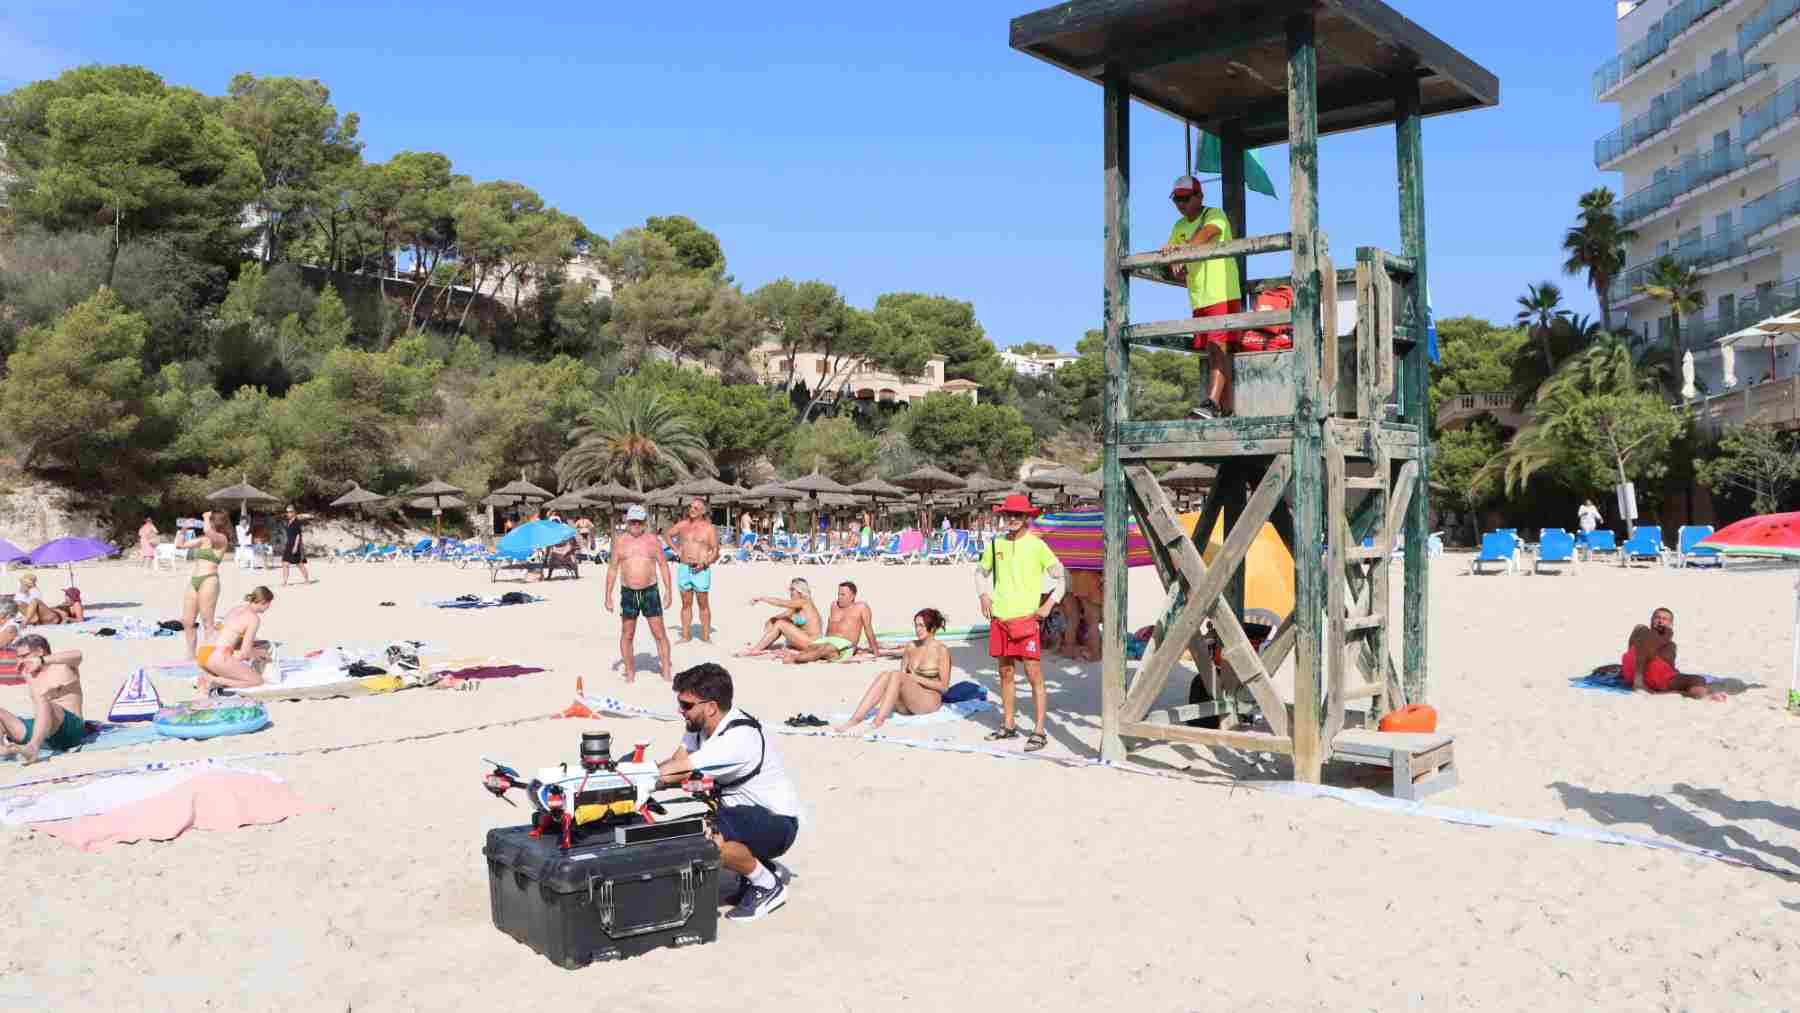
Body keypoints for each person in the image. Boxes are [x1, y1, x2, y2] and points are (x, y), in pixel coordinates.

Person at [657, 663, 802, 921]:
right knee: (695, 826)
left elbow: (676, 773)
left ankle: (767, 886)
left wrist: (635, 780)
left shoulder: (737, 739)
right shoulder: (698, 728)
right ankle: (762, 867)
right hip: (743, 815)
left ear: (711, 706)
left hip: (777, 824)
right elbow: (674, 762)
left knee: (706, 838)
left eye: (687, 705)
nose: (681, 711)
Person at [977, 493, 1066, 752]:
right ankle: (1008, 724)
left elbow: (1061, 576)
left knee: (1034, 675)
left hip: (1027, 621)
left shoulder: (1037, 546)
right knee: (1005, 673)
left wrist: (1049, 605)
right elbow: (980, 573)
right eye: (1008, 515)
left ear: (1027, 518)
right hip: (1000, 619)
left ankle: (1039, 730)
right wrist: (983, 595)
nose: (1013, 519)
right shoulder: (995, 545)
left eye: (1018, 515)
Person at [1162, 174, 1243, 419]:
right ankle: (1224, 408)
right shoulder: (1178, 226)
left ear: (1199, 196)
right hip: (1199, 296)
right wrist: (1172, 260)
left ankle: (1212, 403)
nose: (1181, 204)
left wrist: (1182, 251)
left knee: (1220, 348)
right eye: (1176, 199)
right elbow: (1172, 261)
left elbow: (1205, 235)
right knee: (1213, 351)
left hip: (1222, 292)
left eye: (1186, 198)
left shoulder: (1214, 215)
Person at [834, 608, 954, 731]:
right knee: (887, 674)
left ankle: (878, 721)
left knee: (896, 675)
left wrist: (916, 678)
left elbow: (944, 687)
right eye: (916, 625)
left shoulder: (941, 650)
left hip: (928, 701)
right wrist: (907, 679)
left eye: (921, 626)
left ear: (932, 628)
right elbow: (901, 676)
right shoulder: (910, 646)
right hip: (907, 703)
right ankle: (855, 719)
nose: (917, 629)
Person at [605, 505, 674, 683]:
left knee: (659, 633)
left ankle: (666, 670)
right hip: (629, 592)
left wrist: (668, 592)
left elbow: (663, 565)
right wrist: (608, 596)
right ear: (627, 522)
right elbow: (612, 569)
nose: (636, 524)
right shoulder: (620, 542)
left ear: (644, 522)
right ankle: (629, 671)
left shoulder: (653, 541)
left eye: (639, 521)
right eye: (632, 521)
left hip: (650, 591)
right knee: (627, 633)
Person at [0, 635, 85, 764]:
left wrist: (41, 660)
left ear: (40, 652)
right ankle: (3, 750)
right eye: (18, 657)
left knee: (43, 699)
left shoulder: (64, 666)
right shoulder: (28, 673)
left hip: (69, 730)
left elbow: (77, 654)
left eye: (25, 656)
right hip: (43, 731)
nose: (21, 661)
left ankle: (33, 748)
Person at [1622, 606, 1726, 701]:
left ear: (1670, 624)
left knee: (1697, 679)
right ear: (1651, 620)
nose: (1660, 621)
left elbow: (1667, 666)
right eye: (1657, 617)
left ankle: (1691, 694)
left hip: (1646, 676)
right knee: (1641, 629)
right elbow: (1636, 651)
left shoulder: (1670, 645)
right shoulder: (1642, 630)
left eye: (1664, 619)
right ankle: (1639, 682)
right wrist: (1667, 635)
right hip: (1638, 675)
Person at [197, 587, 276, 694]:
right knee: (257, 681)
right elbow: (245, 653)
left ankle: (211, 676)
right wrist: (261, 654)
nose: (268, 608)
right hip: (217, 657)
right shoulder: (253, 618)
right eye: (268, 604)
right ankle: (212, 680)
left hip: (203, 653)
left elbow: (228, 637)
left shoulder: (236, 609)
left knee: (236, 670)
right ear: (263, 602)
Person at [780, 581, 879, 664]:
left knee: (825, 648)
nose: (839, 597)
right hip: (828, 640)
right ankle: (801, 656)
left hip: (844, 646)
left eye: (843, 595)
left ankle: (795, 659)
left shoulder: (861, 607)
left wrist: (875, 651)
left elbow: (868, 630)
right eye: (839, 594)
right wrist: (822, 641)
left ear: (853, 596)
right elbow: (830, 627)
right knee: (813, 647)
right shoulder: (834, 605)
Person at [665, 497, 721, 643]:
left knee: (703, 604)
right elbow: (668, 535)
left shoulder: (709, 528)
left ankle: (706, 636)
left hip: (701, 569)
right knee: (685, 604)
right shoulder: (683, 525)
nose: (692, 510)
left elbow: (716, 552)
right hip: (684, 567)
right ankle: (685, 636)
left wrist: (704, 564)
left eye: (696, 508)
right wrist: (676, 549)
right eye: (691, 507)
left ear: (703, 511)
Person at [177, 510, 229, 661]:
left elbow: (207, 529)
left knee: (208, 623)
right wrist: (183, 529)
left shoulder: (221, 539)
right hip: (194, 580)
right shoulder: (204, 539)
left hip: (209, 579)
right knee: (187, 621)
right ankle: (191, 656)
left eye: (210, 520)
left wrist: (205, 517)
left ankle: (208, 658)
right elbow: (180, 545)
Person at [735, 578, 823, 656]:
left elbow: (781, 602)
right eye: (790, 589)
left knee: (781, 624)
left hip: (813, 643)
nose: (790, 592)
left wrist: (761, 598)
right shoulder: (795, 606)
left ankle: (755, 650)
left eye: (792, 589)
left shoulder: (804, 602)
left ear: (800, 591)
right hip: (804, 640)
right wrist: (771, 621)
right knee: (777, 621)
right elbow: (781, 617)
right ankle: (762, 646)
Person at [1059, 568, 1103, 663]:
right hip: (1086, 577)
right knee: (1093, 623)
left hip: (1068, 575)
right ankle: (1095, 655)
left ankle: (1069, 652)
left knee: (1071, 619)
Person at [279, 505, 314, 586]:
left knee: (299, 564)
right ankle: (284, 582)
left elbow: (298, 535)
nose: (288, 513)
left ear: (294, 512)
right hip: (288, 545)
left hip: (295, 545)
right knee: (285, 563)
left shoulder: (296, 522)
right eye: (287, 512)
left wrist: (295, 547)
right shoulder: (289, 521)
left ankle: (307, 580)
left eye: (290, 511)